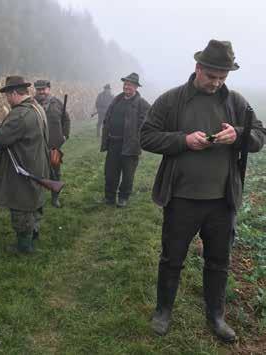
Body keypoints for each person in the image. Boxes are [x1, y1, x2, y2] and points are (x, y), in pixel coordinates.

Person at [140, 40, 266, 342]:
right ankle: (163, 312)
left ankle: (216, 316)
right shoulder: (172, 100)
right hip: (182, 198)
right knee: (172, 259)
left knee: (219, 261)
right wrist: (184, 141)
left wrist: (237, 135)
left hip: (223, 202)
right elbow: (146, 136)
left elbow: (259, 136)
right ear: (198, 68)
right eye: (212, 76)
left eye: (223, 77)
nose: (217, 82)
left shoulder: (236, 102)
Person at [0, 76, 49, 254]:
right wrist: (2, 130)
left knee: (21, 205)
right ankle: (33, 233)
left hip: (23, 167)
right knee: (33, 201)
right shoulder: (36, 107)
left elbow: (0, 139)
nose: (7, 99)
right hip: (36, 163)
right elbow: (17, 132)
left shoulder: (20, 113)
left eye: (7, 95)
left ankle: (24, 246)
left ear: (14, 93)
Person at [101, 73, 150, 207]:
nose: (126, 87)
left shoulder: (142, 104)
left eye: (130, 85)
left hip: (130, 146)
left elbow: (148, 122)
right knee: (110, 173)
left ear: (136, 87)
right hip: (113, 143)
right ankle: (109, 197)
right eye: (125, 84)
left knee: (128, 175)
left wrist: (137, 136)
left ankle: (123, 198)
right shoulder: (117, 100)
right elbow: (108, 118)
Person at [34, 79, 70, 208]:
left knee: (55, 172)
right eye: (38, 89)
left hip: (54, 146)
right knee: (36, 173)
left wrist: (65, 135)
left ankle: (55, 198)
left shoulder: (57, 103)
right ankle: (37, 199)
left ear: (48, 89)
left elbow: (66, 119)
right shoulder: (31, 104)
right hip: (36, 147)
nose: (41, 92)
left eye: (43, 89)